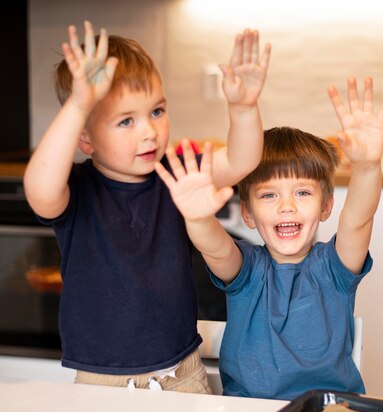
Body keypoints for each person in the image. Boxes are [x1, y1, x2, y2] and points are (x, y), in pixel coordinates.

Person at [23, 20, 271, 393]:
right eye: (126, 120)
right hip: (99, 380)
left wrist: (243, 107)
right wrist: (79, 104)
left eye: (156, 111)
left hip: (182, 372)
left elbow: (241, 159)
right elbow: (39, 189)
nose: (149, 132)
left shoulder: (177, 175)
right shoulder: (76, 191)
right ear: (85, 139)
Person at [156, 76, 383, 399]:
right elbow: (214, 247)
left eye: (302, 192)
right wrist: (197, 217)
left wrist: (367, 166)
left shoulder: (334, 269)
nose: (286, 206)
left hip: (329, 409)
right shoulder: (247, 271)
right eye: (269, 196)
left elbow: (358, 220)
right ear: (248, 214)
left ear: (326, 207)